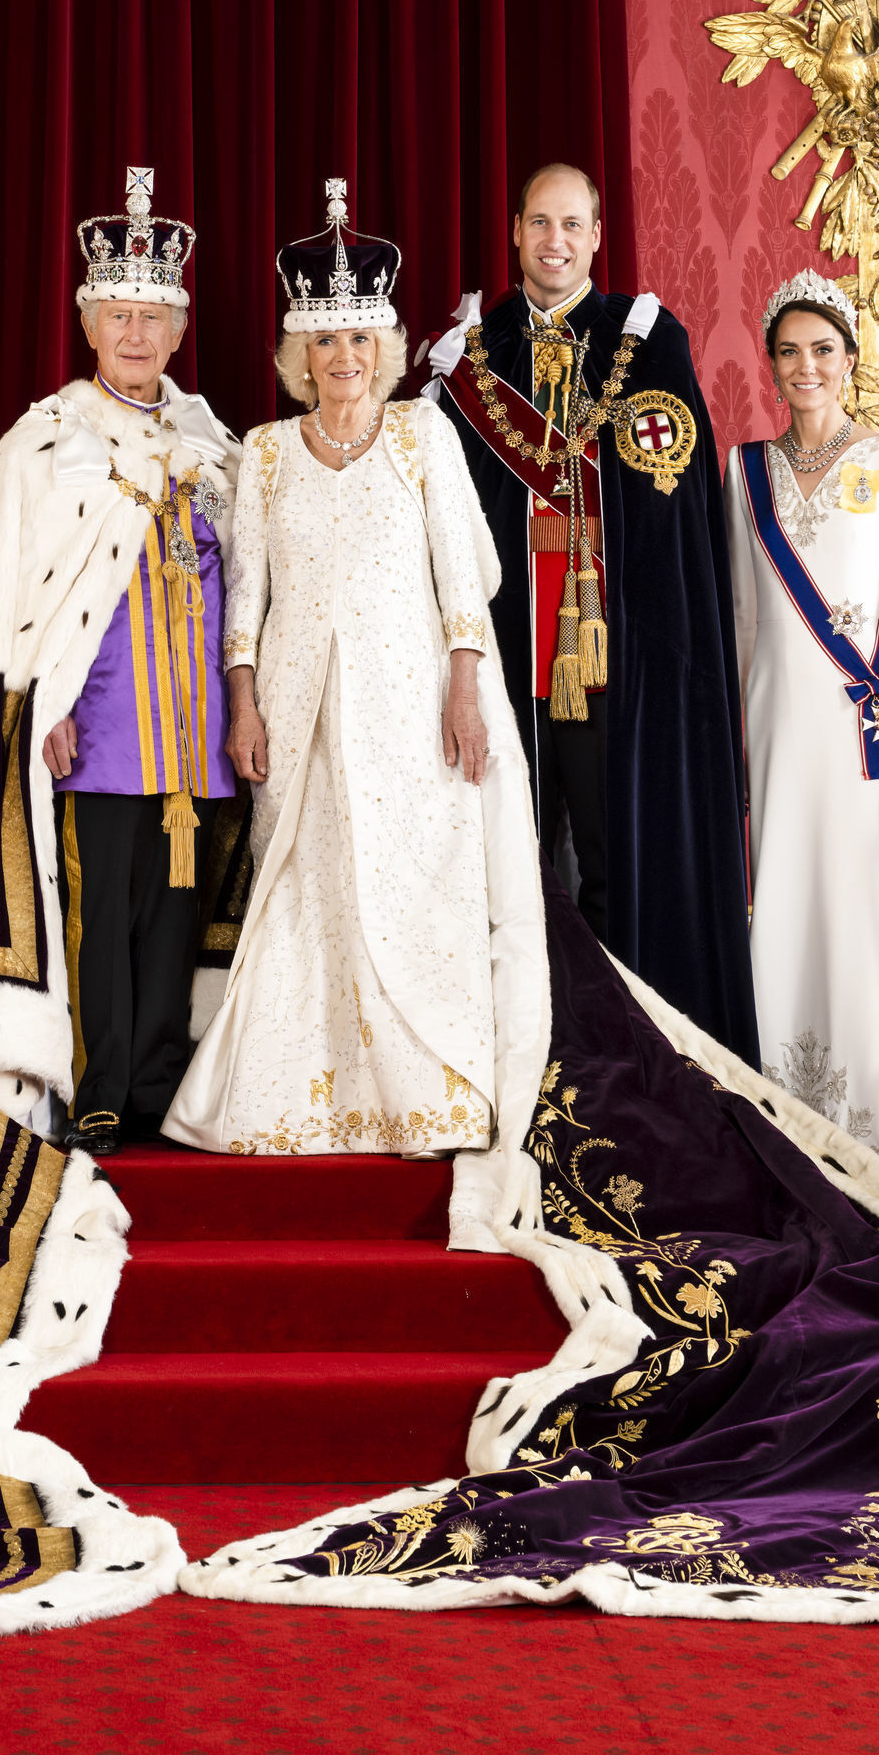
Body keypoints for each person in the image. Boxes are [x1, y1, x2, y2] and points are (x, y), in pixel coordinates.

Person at [167, 185, 545, 1170]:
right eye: (325, 344)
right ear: (301, 354)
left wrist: (464, 688)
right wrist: (242, 703)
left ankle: (425, 1095)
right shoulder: (263, 454)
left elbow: (463, 583)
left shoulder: (423, 435)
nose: (343, 360)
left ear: (383, 347)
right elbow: (241, 598)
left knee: (414, 882)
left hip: (411, 703)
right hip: (298, 709)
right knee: (308, 890)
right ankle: (302, 1097)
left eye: (359, 342)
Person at [0, 166, 245, 1153]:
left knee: (173, 915)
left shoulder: (212, 442)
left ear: (177, 328)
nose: (133, 333)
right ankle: (100, 1084)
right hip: (99, 719)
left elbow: (249, 583)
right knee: (96, 912)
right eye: (115, 314)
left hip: (191, 730)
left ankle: (161, 1080)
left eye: (150, 317)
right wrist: (42, 700)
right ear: (86, 323)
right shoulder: (46, 438)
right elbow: (11, 581)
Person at [426, 163, 755, 1056]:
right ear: (517, 233)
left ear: (598, 234)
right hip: (505, 658)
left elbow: (675, 510)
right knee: (511, 870)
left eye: (572, 224)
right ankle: (521, 1052)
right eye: (540, 223)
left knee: (616, 869)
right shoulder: (472, 357)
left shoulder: (647, 342)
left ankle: (619, 1052)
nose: (555, 242)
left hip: (616, 658)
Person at [726, 268, 879, 1187]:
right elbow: (743, 613)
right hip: (780, 727)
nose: (806, 366)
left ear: (852, 361)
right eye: (789, 352)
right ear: (772, 367)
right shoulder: (744, 470)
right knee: (784, 899)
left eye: (823, 350)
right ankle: (790, 1128)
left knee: (866, 912)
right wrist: (739, 732)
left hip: (864, 736)